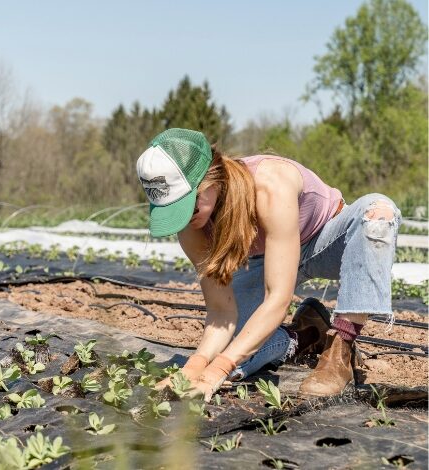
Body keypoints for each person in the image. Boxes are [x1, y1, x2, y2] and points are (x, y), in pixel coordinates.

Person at [136, 128, 402, 402]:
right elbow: (221, 312)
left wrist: (218, 370)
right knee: (235, 348)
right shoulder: (191, 227)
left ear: (212, 179)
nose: (186, 219)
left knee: (378, 214)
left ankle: (341, 348)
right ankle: (304, 334)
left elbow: (277, 299)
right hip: (267, 259)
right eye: (173, 211)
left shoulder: (269, 184)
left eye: (189, 206)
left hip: (326, 242)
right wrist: (195, 367)